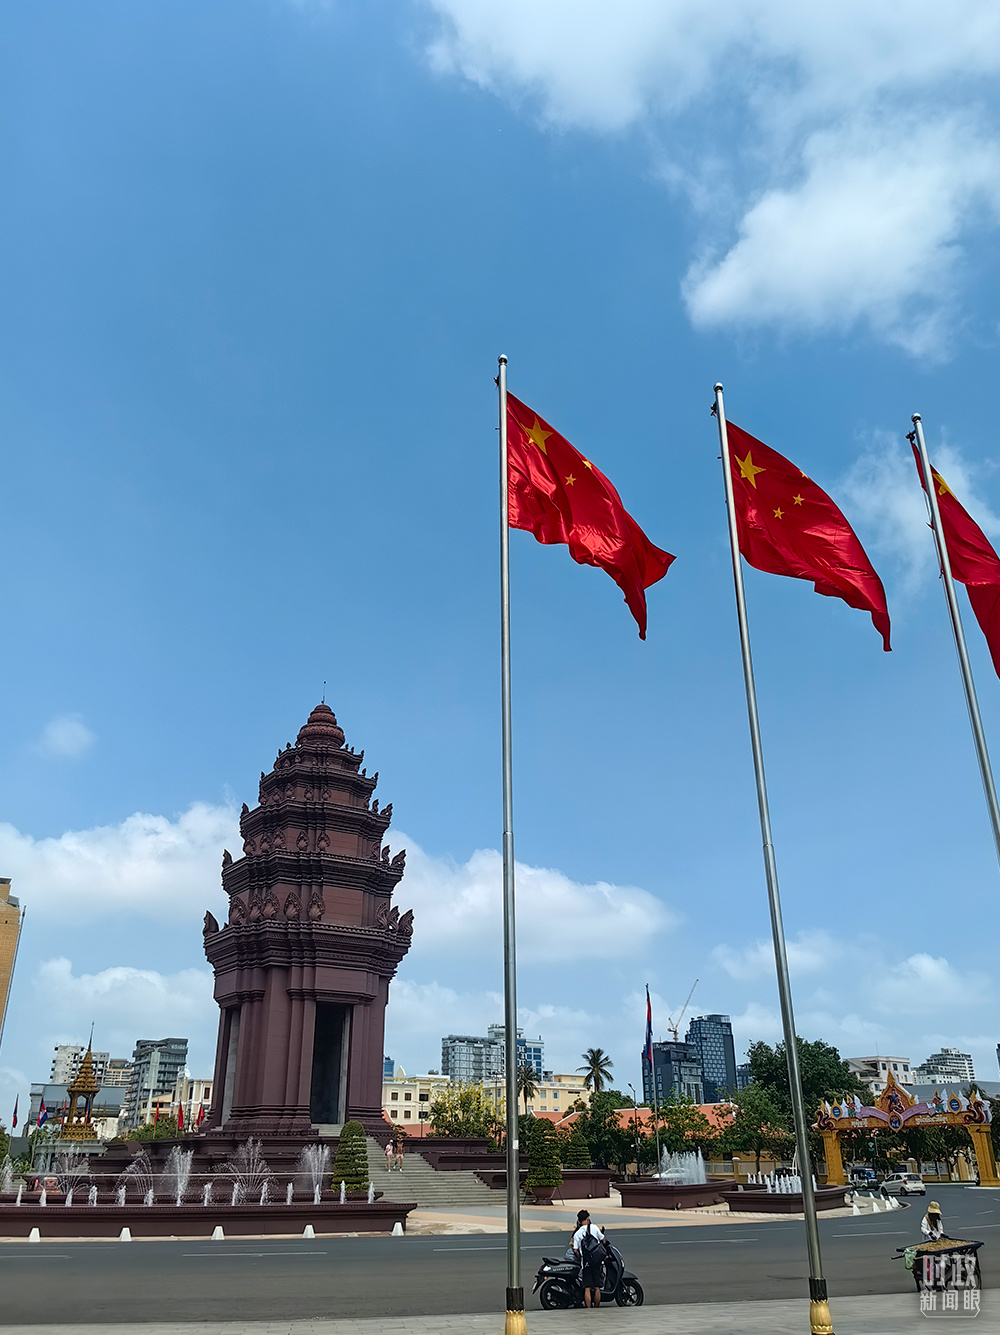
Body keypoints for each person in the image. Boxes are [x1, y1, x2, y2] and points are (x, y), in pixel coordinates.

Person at [572, 1208, 606, 1309]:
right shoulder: (594, 1228)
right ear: (587, 1219)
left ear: (579, 1221)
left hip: (586, 1263)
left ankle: (588, 1308)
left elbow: (575, 1250)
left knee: (587, 1287)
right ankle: (596, 1307)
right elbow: (603, 1240)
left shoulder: (577, 1234)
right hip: (597, 1262)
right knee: (597, 1288)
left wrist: (580, 1257)